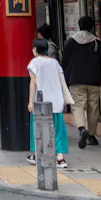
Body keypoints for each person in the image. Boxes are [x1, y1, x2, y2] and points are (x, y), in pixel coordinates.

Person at [61, 15, 101, 149]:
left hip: (76, 80)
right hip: (94, 80)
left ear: (79, 25)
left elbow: (65, 62)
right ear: (92, 27)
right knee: (93, 108)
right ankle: (92, 136)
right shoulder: (97, 43)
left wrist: (64, 79)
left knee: (78, 106)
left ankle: (82, 129)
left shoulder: (70, 42)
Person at [27, 38, 70, 169]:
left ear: (35, 49)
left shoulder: (34, 63)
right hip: (56, 101)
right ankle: (60, 158)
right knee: (58, 129)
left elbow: (33, 82)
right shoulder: (54, 62)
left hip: (41, 101)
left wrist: (30, 101)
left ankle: (35, 155)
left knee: (37, 128)